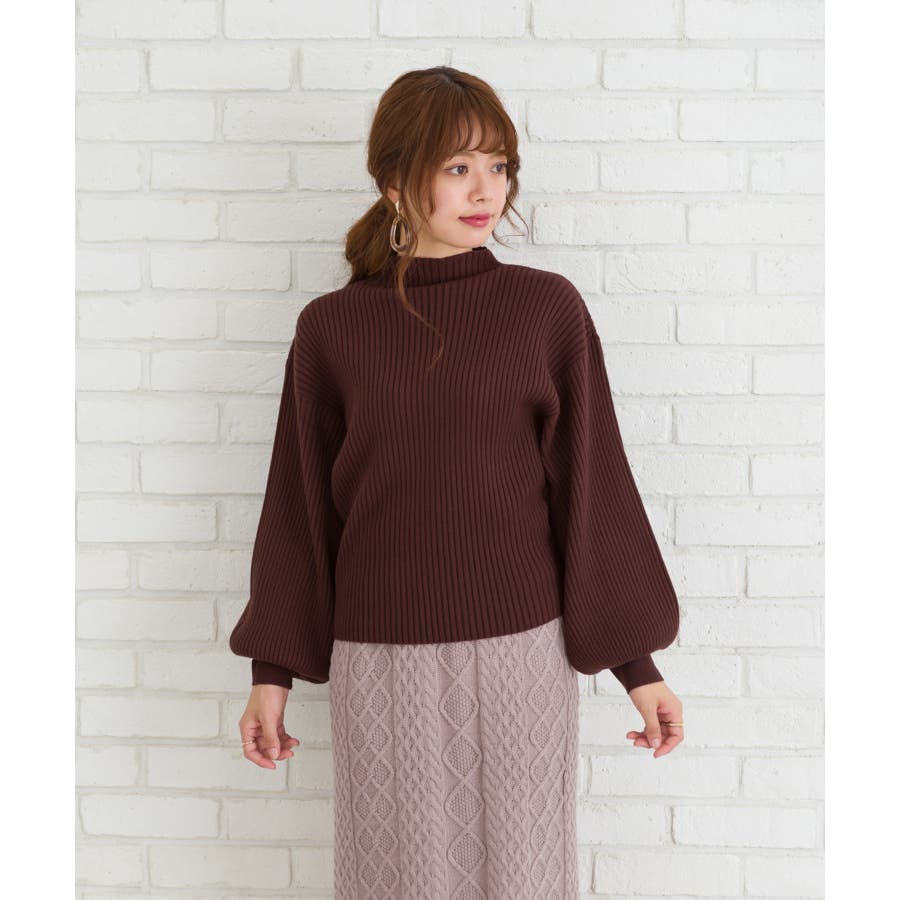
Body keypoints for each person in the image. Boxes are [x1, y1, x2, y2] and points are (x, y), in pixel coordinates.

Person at [228, 66, 684, 899]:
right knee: (393, 880)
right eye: (458, 167)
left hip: (523, 655)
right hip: (378, 659)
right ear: (395, 182)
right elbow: (299, 508)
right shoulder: (333, 329)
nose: (485, 190)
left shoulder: (545, 311)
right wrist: (271, 672)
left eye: (499, 165)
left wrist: (637, 666)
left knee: (524, 878)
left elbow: (592, 489)